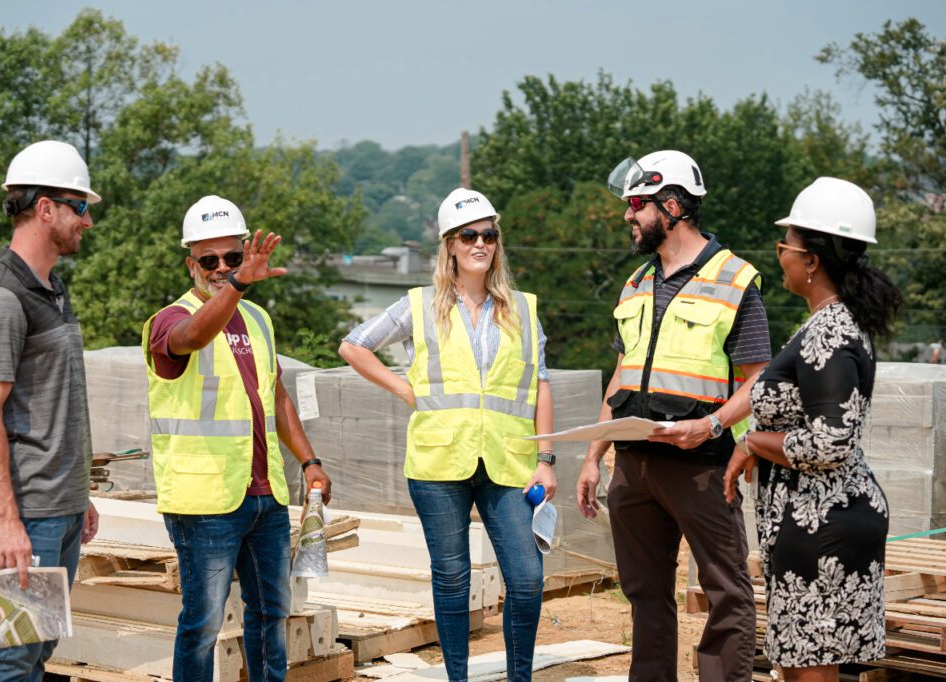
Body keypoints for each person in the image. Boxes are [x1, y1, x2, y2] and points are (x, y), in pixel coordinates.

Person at [339, 188, 555, 682]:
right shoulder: (420, 305)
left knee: (526, 579)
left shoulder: (522, 309)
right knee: (453, 578)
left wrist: (547, 459)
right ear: (450, 245)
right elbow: (354, 346)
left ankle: (518, 677)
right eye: (469, 235)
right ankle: (457, 677)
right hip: (439, 463)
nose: (481, 243)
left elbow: (541, 385)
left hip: (509, 461)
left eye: (489, 234)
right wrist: (405, 388)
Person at [575, 150, 771, 681]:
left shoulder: (734, 281)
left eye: (636, 204)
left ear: (672, 206)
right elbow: (621, 374)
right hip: (633, 467)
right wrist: (595, 455)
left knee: (725, 592)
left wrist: (710, 426)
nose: (627, 216)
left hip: (702, 465)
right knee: (644, 594)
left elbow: (758, 379)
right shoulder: (636, 283)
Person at [142, 195, 331, 681]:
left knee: (271, 614)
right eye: (209, 260)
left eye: (231, 257)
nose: (221, 268)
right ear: (192, 264)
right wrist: (240, 285)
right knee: (203, 624)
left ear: (244, 252)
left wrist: (309, 461)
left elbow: (277, 394)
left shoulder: (259, 320)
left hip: (264, 496)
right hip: (204, 501)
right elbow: (193, 337)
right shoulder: (168, 319)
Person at [723, 177, 902, 682]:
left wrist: (753, 442)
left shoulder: (832, 334)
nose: (779, 255)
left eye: (785, 246)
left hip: (824, 525)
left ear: (812, 260)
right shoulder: (826, 324)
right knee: (801, 666)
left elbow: (831, 441)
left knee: (810, 672)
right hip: (811, 523)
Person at [0, 140, 101, 680]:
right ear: (46, 208)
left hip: (59, 505)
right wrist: (7, 524)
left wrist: (80, 494)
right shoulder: (2, 299)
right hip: (27, 513)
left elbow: (50, 403)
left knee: (38, 648)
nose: (87, 222)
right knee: (12, 655)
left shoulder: (51, 288)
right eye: (81, 207)